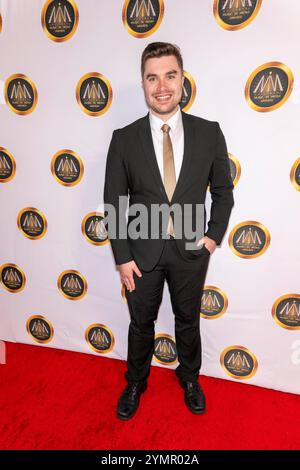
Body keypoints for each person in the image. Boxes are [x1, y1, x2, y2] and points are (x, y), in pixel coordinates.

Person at [103, 42, 234, 420]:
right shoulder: (124, 138)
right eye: (152, 77)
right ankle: (135, 381)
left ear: (182, 79)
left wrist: (212, 238)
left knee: (188, 319)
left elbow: (223, 192)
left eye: (170, 75)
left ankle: (190, 378)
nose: (162, 86)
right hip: (140, 255)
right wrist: (122, 257)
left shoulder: (209, 133)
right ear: (143, 83)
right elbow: (114, 202)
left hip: (192, 250)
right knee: (140, 322)